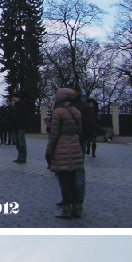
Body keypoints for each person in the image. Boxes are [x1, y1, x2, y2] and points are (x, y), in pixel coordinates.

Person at [45, 87, 84, 219]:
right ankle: (77, 208)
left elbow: (54, 134)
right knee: (73, 180)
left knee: (64, 181)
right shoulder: (76, 112)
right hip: (75, 147)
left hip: (61, 148)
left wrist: (48, 151)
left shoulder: (58, 112)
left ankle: (66, 210)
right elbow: (79, 130)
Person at [8, 94, 28, 163]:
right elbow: (10, 115)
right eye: (13, 97)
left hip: (21, 126)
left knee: (21, 142)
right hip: (14, 126)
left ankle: (23, 158)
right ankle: (19, 156)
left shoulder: (22, 105)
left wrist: (12, 107)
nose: (14, 99)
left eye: (15, 97)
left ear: (19, 98)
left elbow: (18, 113)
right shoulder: (14, 106)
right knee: (17, 142)